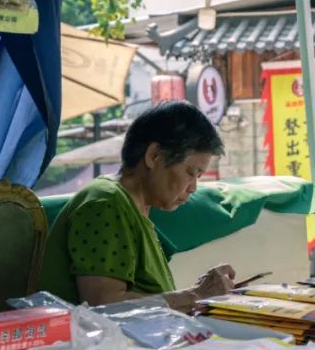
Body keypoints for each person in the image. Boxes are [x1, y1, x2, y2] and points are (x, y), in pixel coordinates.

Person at [38, 101, 237, 310]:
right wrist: (196, 294)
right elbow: (104, 305)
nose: (193, 187)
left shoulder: (134, 208)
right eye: (190, 172)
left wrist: (197, 293)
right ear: (154, 156)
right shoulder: (106, 203)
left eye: (199, 176)